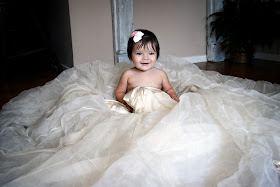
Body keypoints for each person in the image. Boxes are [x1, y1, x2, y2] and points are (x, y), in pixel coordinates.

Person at [115, 29, 179, 112]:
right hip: (135, 109)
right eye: (139, 53)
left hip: (157, 108)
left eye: (151, 53)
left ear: (157, 55)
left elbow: (168, 89)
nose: (145, 58)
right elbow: (119, 92)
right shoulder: (128, 74)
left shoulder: (161, 74)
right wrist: (125, 103)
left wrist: (172, 95)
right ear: (130, 56)